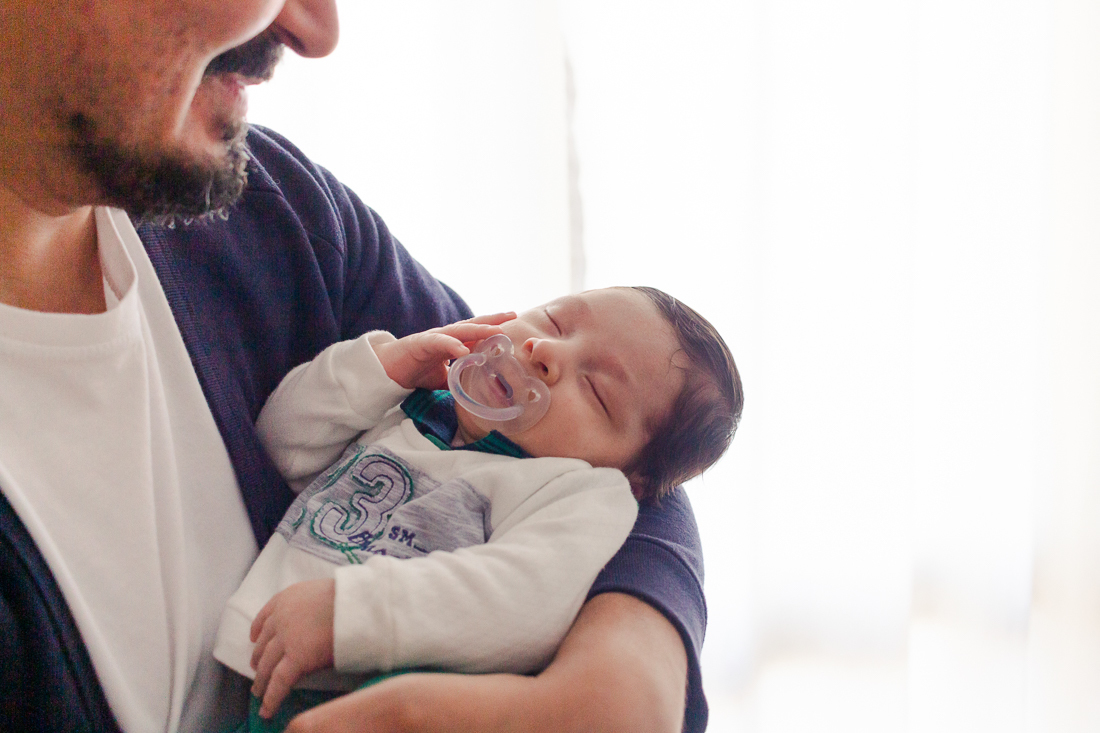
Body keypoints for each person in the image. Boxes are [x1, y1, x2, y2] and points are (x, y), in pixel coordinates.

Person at [0, 2, 717, 731]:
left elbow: (637, 461)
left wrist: (628, 667)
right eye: (559, 323)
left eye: (589, 380)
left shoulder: (274, 213)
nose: (318, 30)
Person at [211, 286, 741, 729]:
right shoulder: (409, 410)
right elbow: (279, 448)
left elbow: (520, 595)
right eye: (554, 321)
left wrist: (352, 613)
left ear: (634, 477)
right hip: (247, 669)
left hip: (360, 697)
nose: (545, 353)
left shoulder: (577, 494)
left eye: (597, 391)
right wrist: (379, 370)